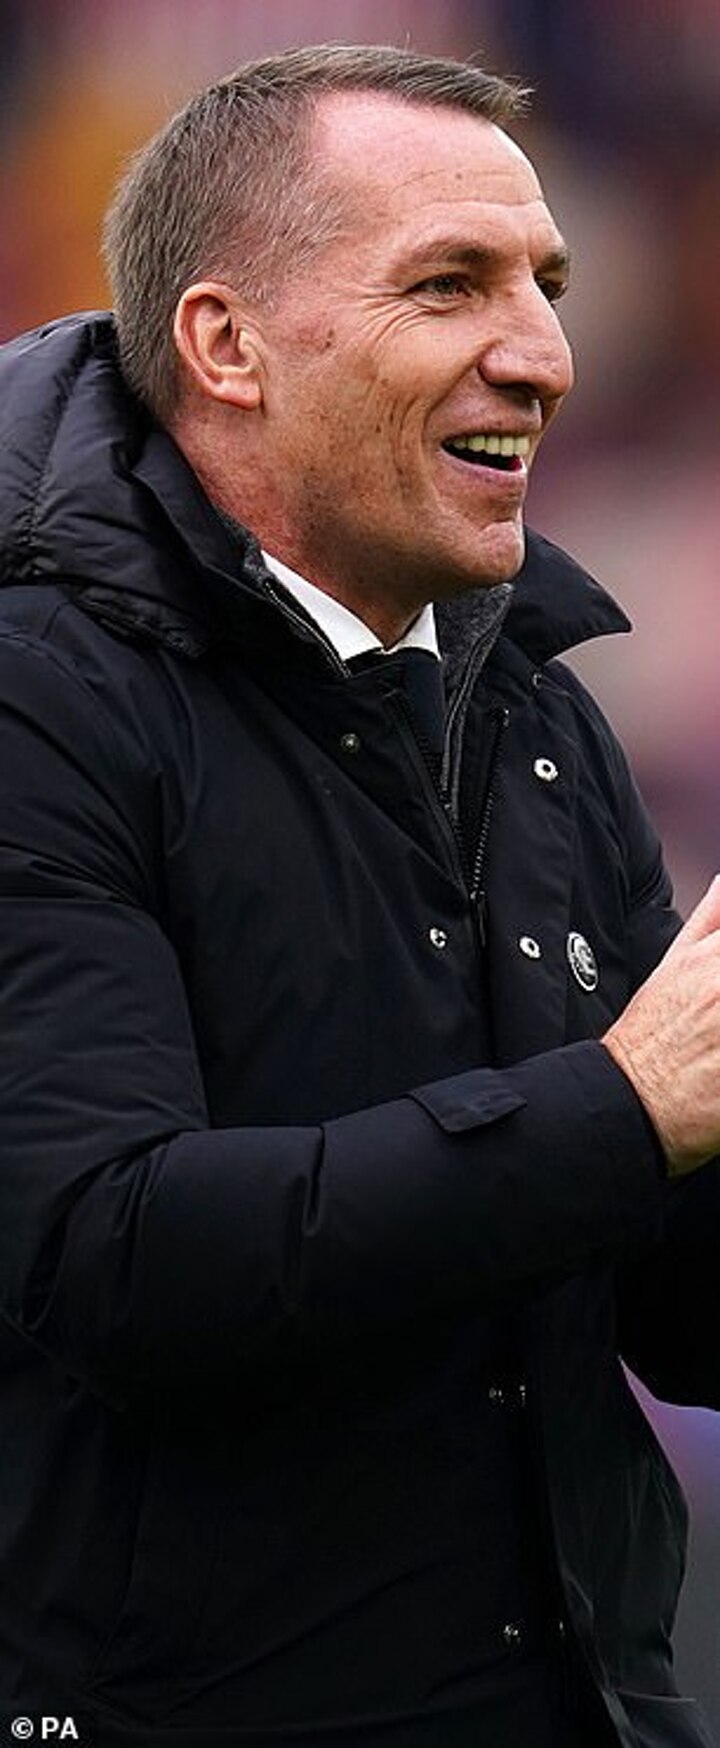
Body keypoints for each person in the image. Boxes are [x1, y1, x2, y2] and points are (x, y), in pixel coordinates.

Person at [0, 41, 718, 1748]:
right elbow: (115, 1257)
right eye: (449, 284)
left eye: (547, 286)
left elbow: (671, 1311)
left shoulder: (530, 706)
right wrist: (628, 1107)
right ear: (226, 346)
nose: (542, 353)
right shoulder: (36, 701)